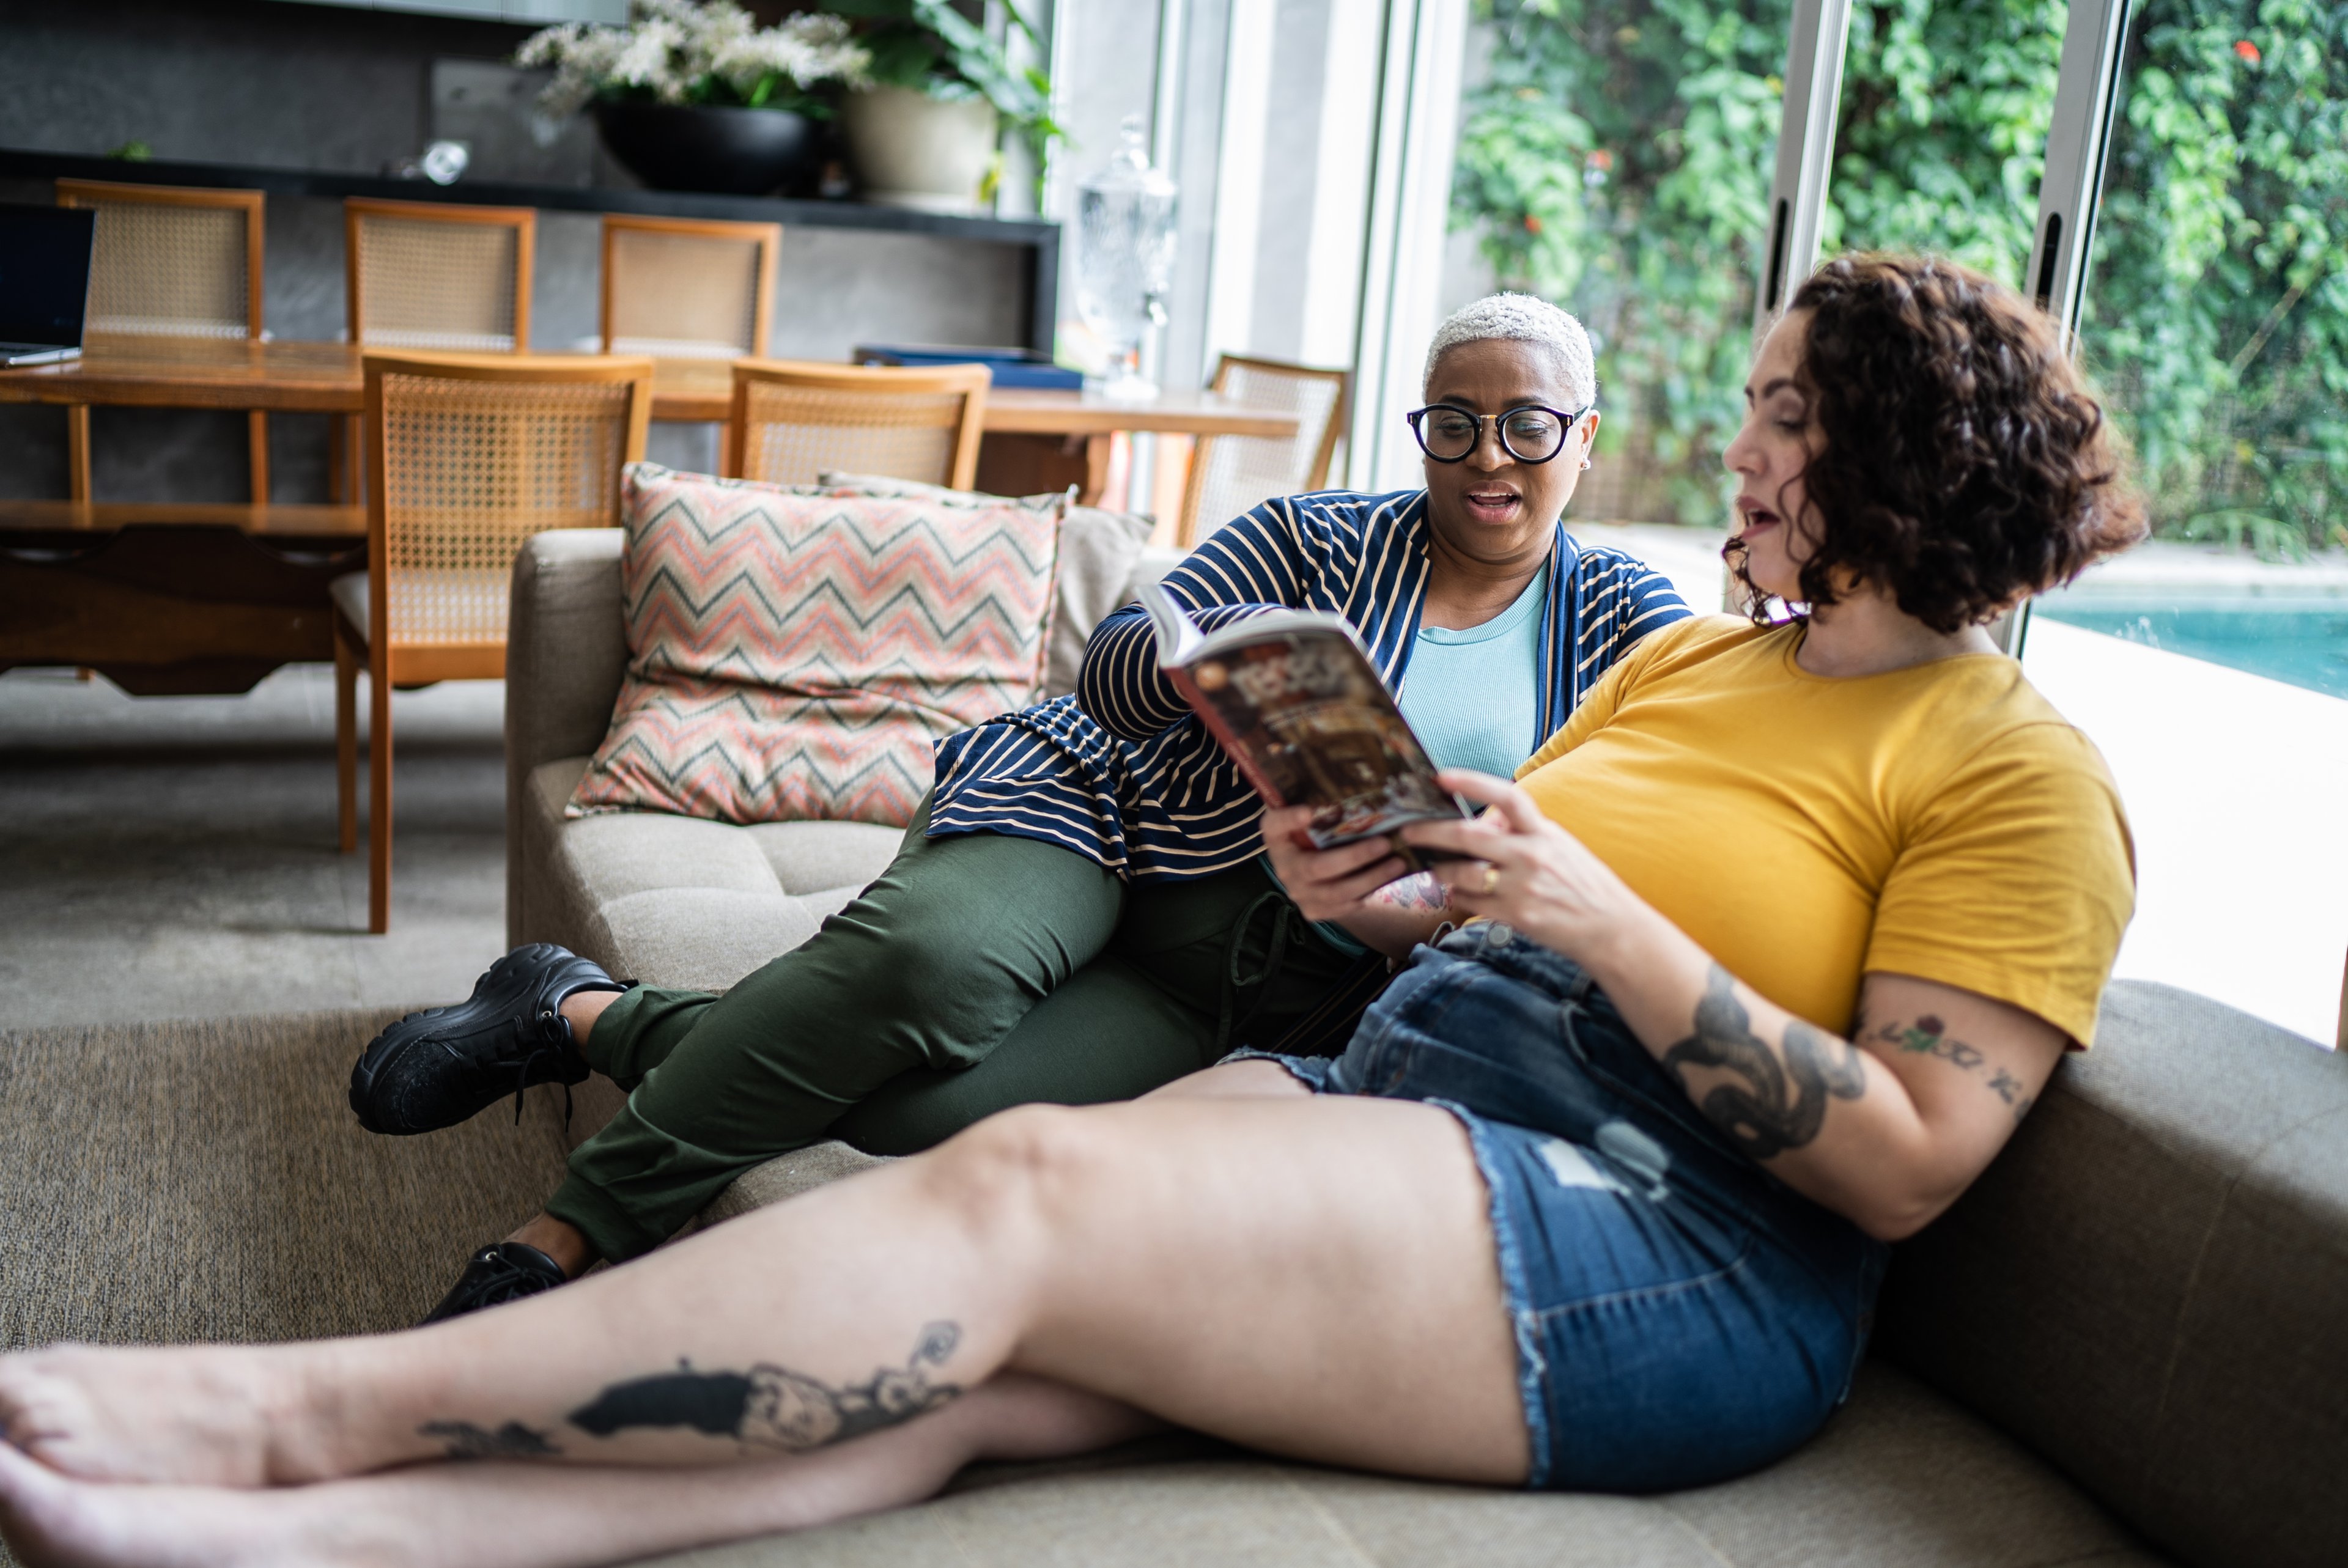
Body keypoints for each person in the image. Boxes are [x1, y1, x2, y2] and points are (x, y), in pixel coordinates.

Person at [0, 253, 2144, 1568]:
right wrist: (1376, 890)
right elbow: (1471, 884)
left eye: (1777, 415)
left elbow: (1910, 1158)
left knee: (1016, 1188)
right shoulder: (1699, 659)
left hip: (1667, 1228)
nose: (1741, 449)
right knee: (960, 1381)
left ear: (1890, 454)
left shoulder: (2011, 769)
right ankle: (332, 1535)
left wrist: (1585, 915)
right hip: (1394, 1050)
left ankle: (283, 1412)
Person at [346, 293, 1689, 1323]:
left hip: (1270, 970)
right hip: (1105, 817)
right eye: (1453, 420)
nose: (1486, 455)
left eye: (1526, 423)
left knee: (914, 1105)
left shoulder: (1628, 621)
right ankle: (571, 1233)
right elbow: (1117, 654)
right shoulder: (1325, 534)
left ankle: (574, 1012)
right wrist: (1179, 664)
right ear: (1424, 428)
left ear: (1585, 432)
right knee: (923, 971)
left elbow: (1670, 792)